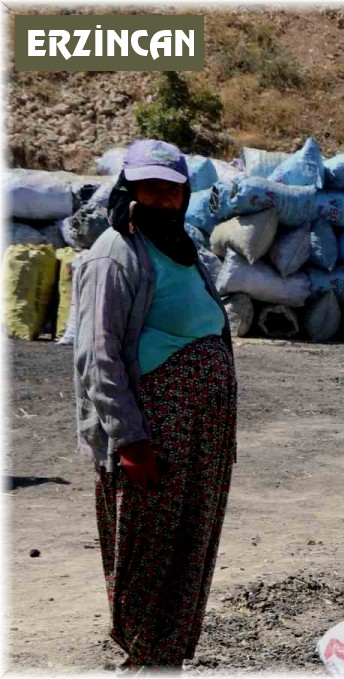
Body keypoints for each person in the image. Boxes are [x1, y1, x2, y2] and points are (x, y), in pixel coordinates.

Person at [73, 139, 236, 669]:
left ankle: (168, 656)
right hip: (152, 437)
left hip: (203, 432)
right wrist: (130, 439)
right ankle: (145, 654)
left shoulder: (184, 248)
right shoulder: (113, 255)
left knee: (191, 544)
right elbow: (98, 357)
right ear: (130, 190)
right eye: (151, 188)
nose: (163, 199)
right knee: (149, 552)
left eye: (173, 190)